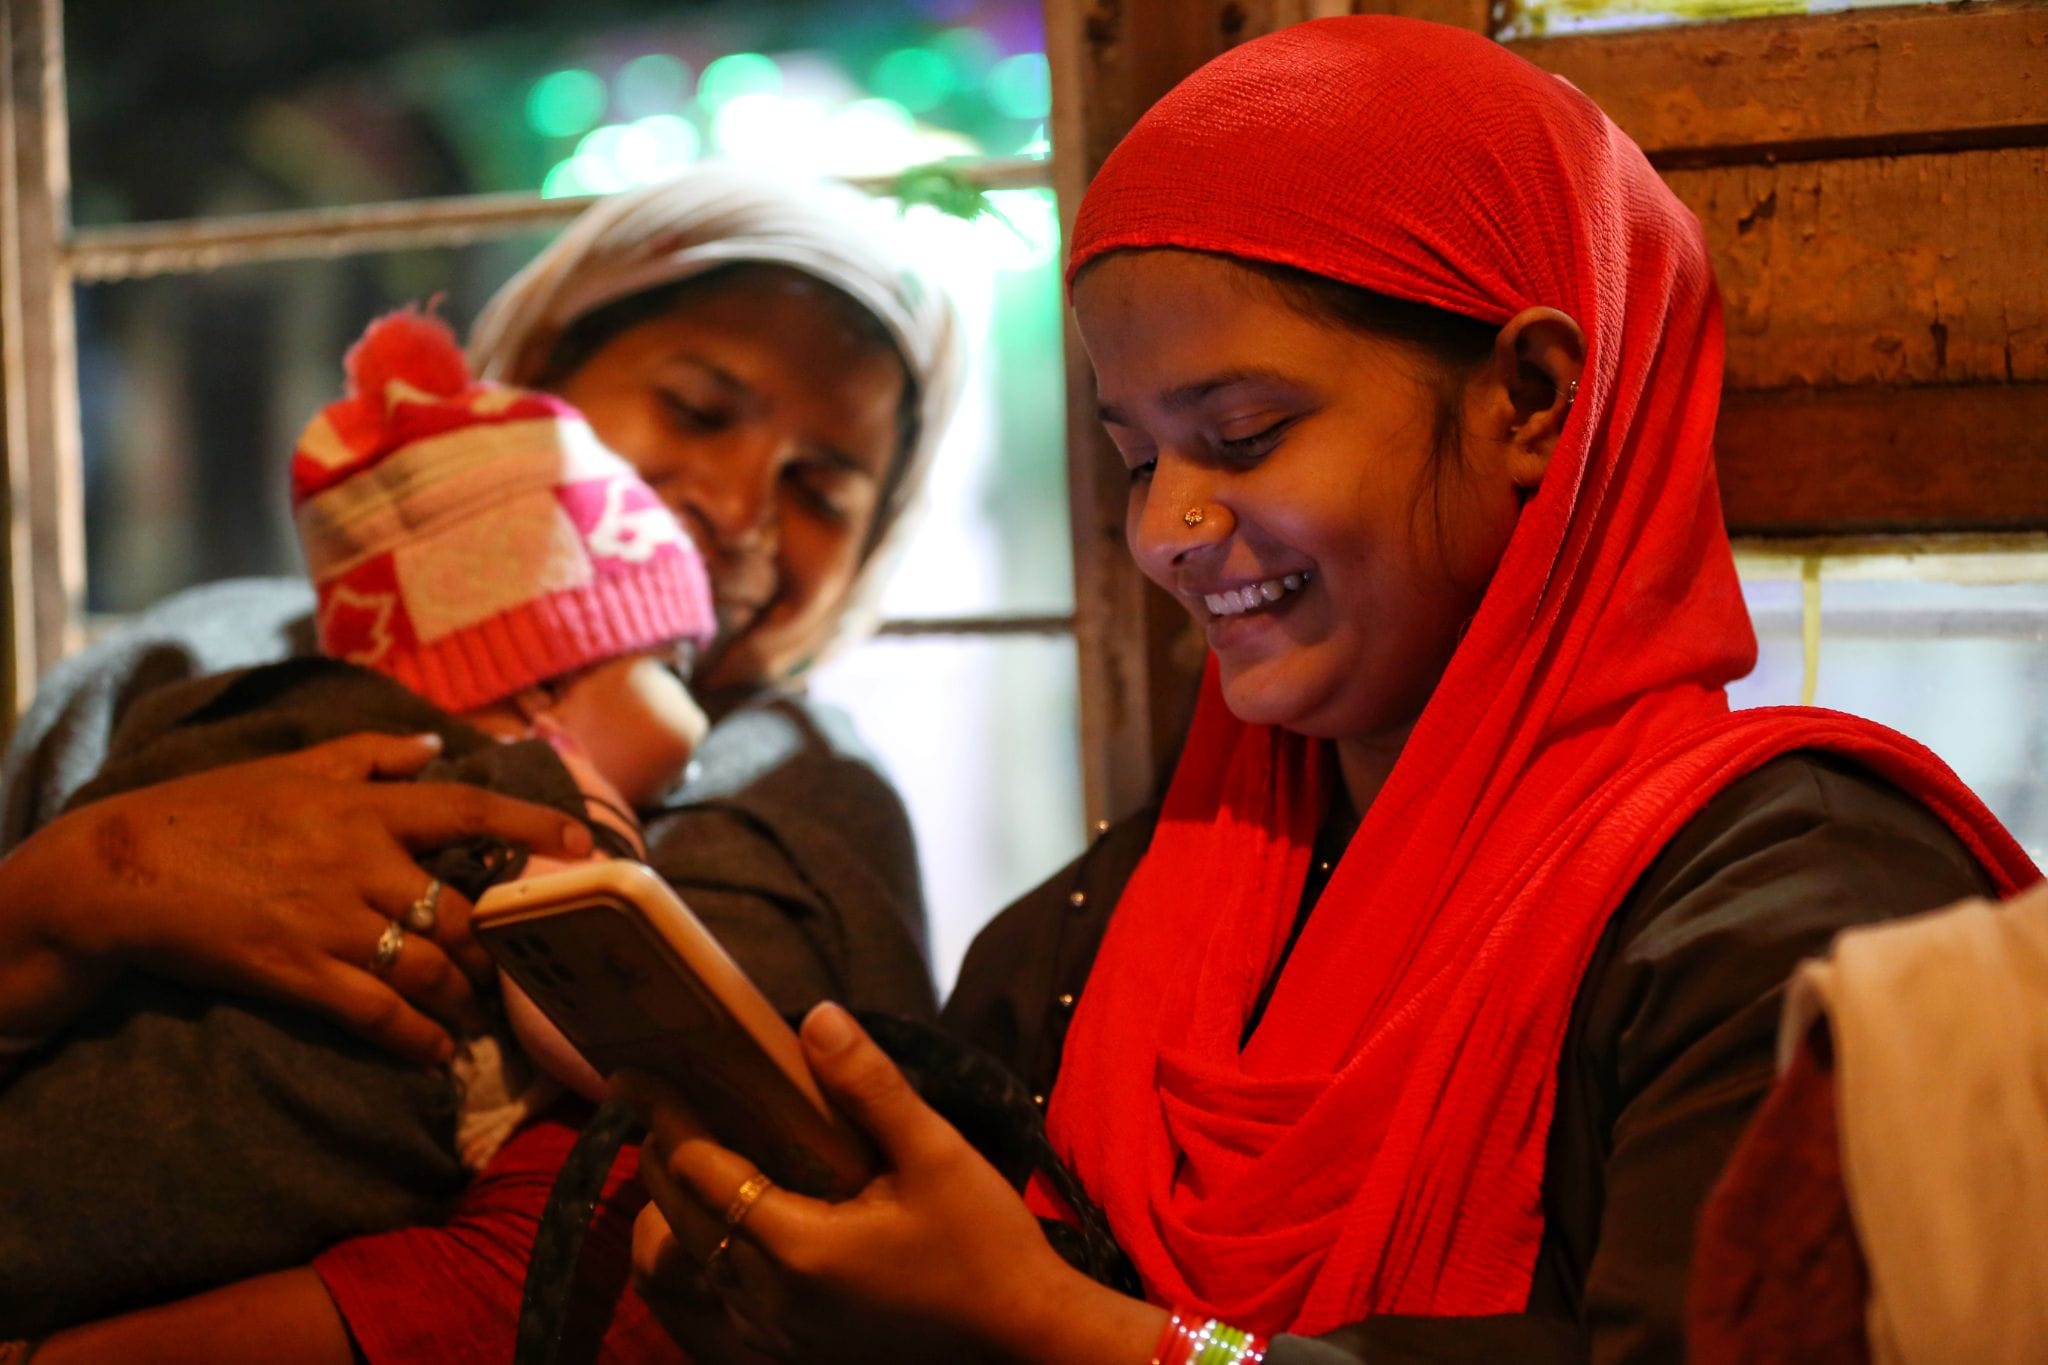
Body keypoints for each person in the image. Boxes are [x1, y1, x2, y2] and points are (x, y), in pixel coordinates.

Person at [618, 19, 2042, 1365]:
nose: (1165, 531)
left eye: (1243, 433)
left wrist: (1068, 1335)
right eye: (1136, 458)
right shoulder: (1100, 933)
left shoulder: (1787, 914)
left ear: (1533, 396)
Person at [2, 163, 962, 1363]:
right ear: (537, 379)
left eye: (821, 488)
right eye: (698, 408)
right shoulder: (174, 661)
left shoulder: (793, 797)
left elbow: (635, 1256)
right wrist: (92, 874)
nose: (735, 507)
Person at [0, 304, 720, 1338]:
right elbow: (606, 1019)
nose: (700, 712)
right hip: (203, 1211)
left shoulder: (212, 722)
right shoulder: (530, 786)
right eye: (669, 664)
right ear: (545, 683)